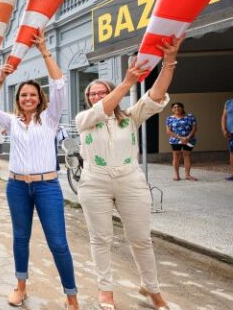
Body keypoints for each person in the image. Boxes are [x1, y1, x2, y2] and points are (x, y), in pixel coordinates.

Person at [75, 37, 182, 310]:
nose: (97, 97)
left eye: (102, 92)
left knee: (141, 238)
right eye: (93, 94)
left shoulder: (130, 117)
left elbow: (156, 95)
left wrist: (169, 62)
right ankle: (106, 291)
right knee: (101, 239)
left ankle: (152, 289)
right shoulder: (84, 121)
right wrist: (126, 83)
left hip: (130, 179)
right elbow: (103, 109)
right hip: (94, 182)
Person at [0, 33, 80, 310]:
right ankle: (21, 287)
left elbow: (59, 85)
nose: (28, 98)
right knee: (20, 237)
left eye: (32, 94)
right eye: (23, 95)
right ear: (18, 99)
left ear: (39, 98)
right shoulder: (12, 121)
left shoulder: (51, 118)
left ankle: (71, 298)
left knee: (57, 242)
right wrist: (0, 79)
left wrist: (44, 51)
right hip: (17, 186)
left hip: (47, 187)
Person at [165, 102, 197, 181]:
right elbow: (168, 131)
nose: (177, 108)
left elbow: (194, 128)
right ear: (172, 109)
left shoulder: (190, 117)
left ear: (182, 108)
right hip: (175, 140)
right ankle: (176, 175)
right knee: (176, 156)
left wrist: (187, 137)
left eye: (179, 107)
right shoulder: (170, 118)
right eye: (174, 107)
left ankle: (187, 175)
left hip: (188, 140)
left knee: (187, 155)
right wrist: (180, 138)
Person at [222, 97, 233, 181]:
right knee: (232, 153)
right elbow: (224, 117)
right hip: (231, 132)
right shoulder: (228, 102)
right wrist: (224, 129)